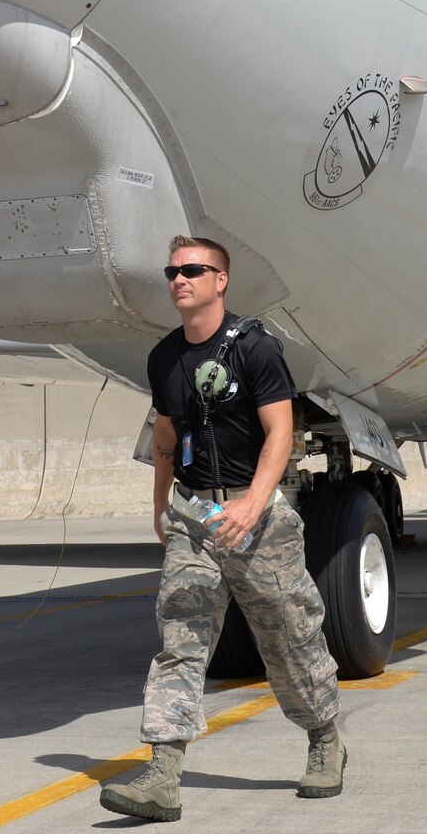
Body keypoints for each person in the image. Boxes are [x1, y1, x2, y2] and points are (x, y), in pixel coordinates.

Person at [101, 236, 345, 822]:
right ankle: (163, 773)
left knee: (289, 638)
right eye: (172, 272)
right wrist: (162, 506)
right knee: (180, 642)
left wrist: (253, 506)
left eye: (193, 269)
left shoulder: (256, 347)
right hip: (195, 517)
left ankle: (325, 740)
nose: (179, 279)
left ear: (221, 280)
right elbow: (165, 436)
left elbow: (281, 434)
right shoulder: (164, 358)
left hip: (257, 519)